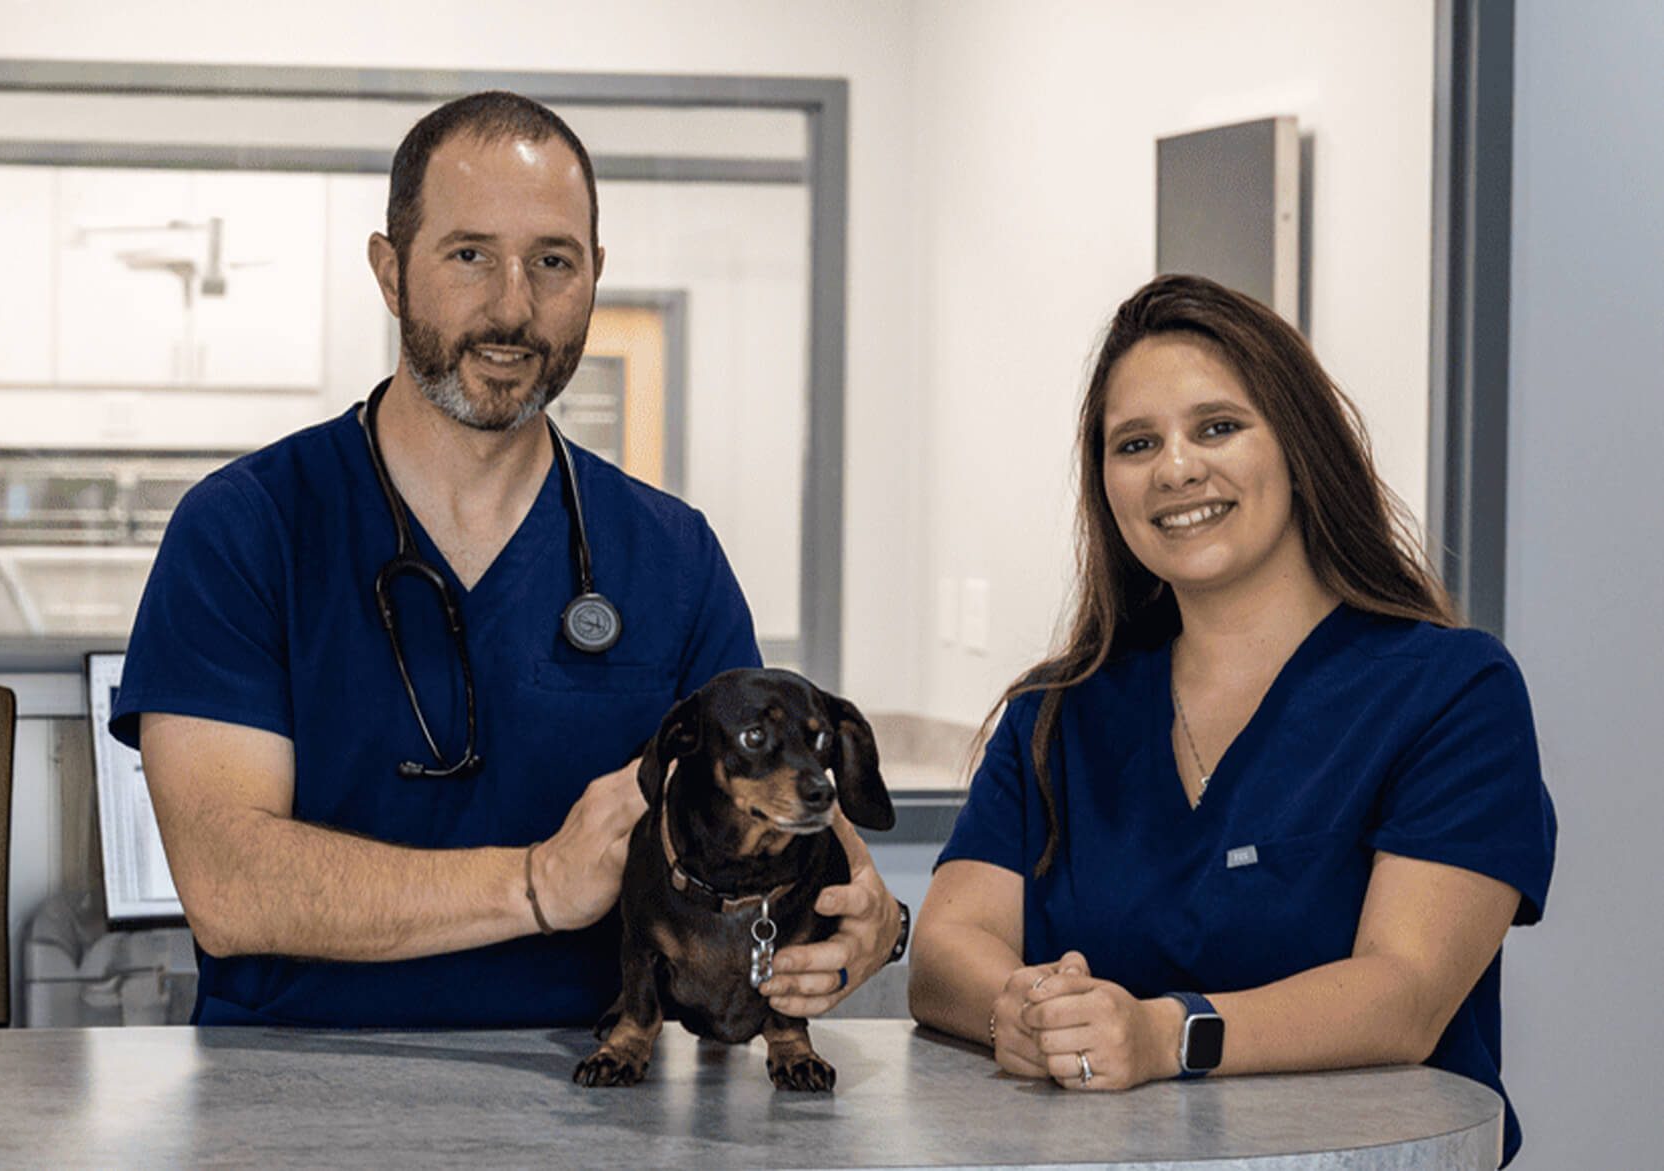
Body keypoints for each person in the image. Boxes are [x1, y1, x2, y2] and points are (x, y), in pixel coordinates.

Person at [109, 91, 904, 1029]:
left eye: (553, 262)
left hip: (599, 1088)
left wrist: (870, 921)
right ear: (389, 269)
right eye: (470, 254)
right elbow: (229, 886)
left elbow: (775, 796)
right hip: (289, 1094)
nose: (513, 307)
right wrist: (533, 883)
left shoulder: (670, 556)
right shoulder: (245, 529)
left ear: (595, 276)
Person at [908, 274, 1554, 1166]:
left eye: (1218, 426)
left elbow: (1406, 995)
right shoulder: (1057, 714)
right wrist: (1015, 1010)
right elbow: (946, 946)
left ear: (1297, 443)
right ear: (1106, 486)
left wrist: (1167, 1033)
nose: (1176, 467)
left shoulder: (1450, 692)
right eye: (1136, 443)